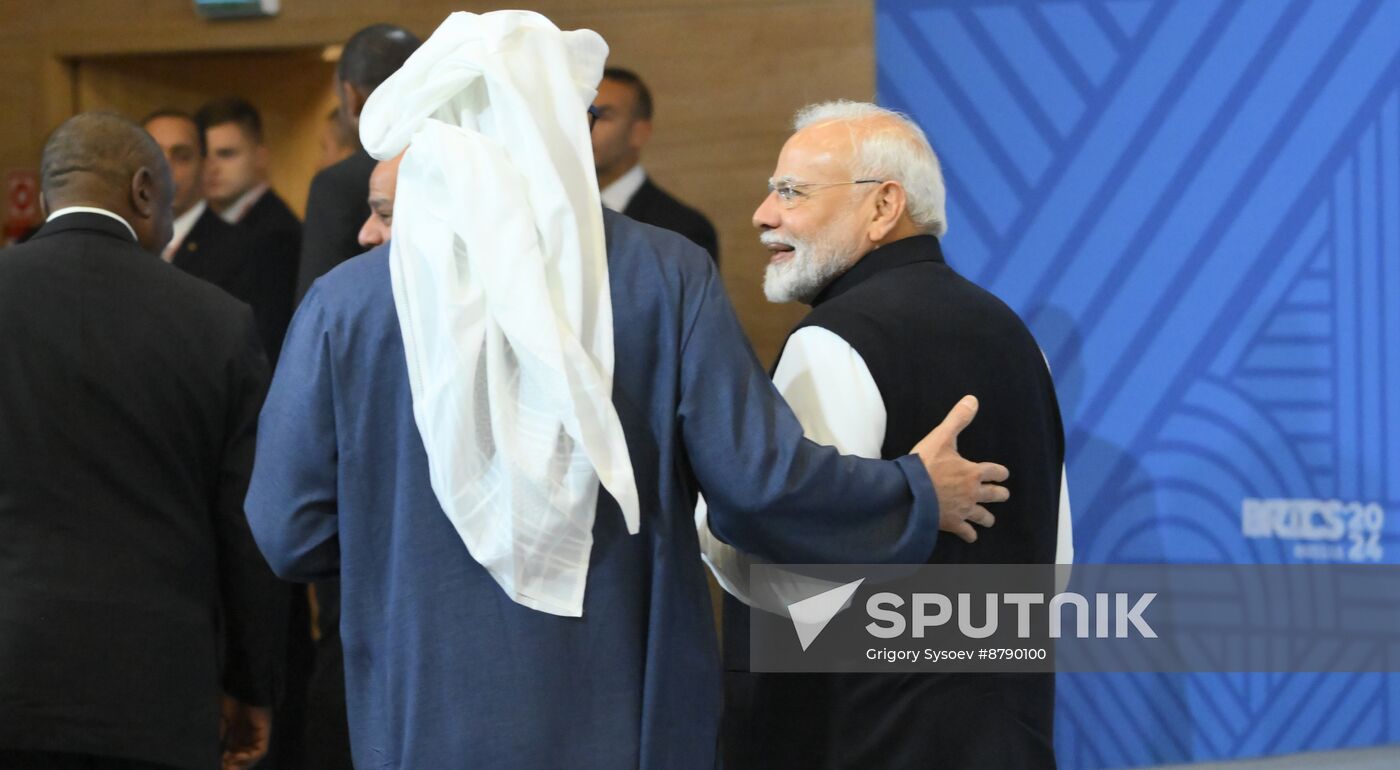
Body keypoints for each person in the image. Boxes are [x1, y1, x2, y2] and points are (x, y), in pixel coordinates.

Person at [244, 11, 1008, 769]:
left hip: (424, 709)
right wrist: (911, 490)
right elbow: (757, 483)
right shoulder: (665, 274)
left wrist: (408, 545)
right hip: (624, 709)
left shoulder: (344, 304)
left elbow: (288, 529)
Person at [709, 100, 1071, 769]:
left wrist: (711, 510)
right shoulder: (1017, 338)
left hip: (853, 738)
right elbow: (1053, 568)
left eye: (790, 191)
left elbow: (798, 589)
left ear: (882, 207)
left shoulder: (830, 342)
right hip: (1008, 737)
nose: (764, 215)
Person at [0, 112, 284, 770]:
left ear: (48, 201)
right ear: (144, 191)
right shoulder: (217, 323)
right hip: (156, 692)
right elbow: (249, 526)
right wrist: (252, 685)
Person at [295, 23, 421, 302]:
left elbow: (318, 304)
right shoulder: (462, 164)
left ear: (350, 96)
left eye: (384, 215)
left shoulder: (336, 185)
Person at [195, 97, 301, 361]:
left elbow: (268, 338)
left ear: (260, 157)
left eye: (227, 154)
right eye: (204, 155)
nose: (212, 167)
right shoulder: (213, 224)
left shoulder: (276, 234)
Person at [591, 66, 719, 262]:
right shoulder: (556, 214)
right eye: (580, 114)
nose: (585, 126)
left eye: (602, 116)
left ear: (639, 132)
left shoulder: (683, 229)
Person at [142, 108, 251, 269]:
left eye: (182, 156)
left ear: (205, 166)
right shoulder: (117, 238)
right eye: (151, 154)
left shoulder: (242, 251)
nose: (165, 167)